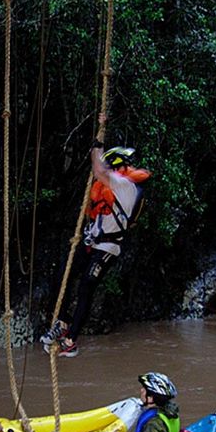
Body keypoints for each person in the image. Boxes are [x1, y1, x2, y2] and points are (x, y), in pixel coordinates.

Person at [40, 113, 151, 357]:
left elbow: (99, 169)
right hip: (92, 242)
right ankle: (61, 322)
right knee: (63, 275)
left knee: (87, 287)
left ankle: (70, 340)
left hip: (108, 248)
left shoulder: (126, 186)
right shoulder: (117, 184)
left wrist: (97, 146)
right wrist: (101, 131)